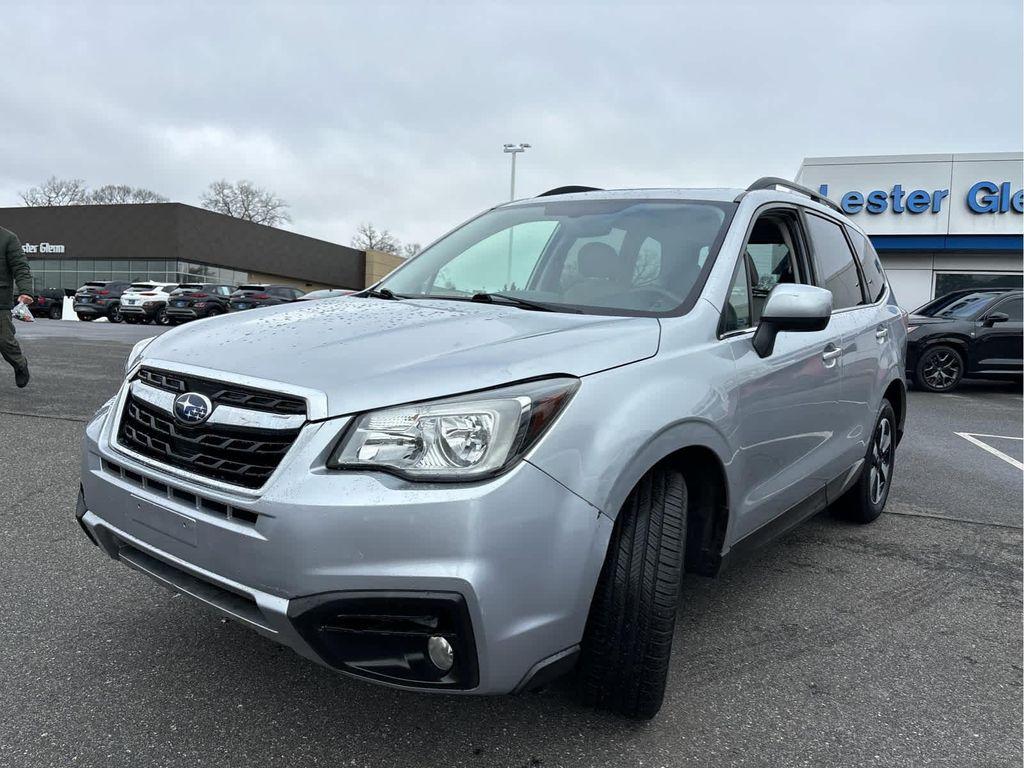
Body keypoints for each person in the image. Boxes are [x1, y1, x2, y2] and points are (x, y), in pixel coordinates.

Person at [1, 225, 34, 388]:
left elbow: (21, 267)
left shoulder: (8, 238)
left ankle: (20, 364)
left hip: (0, 301)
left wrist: (26, 291)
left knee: (4, 340)